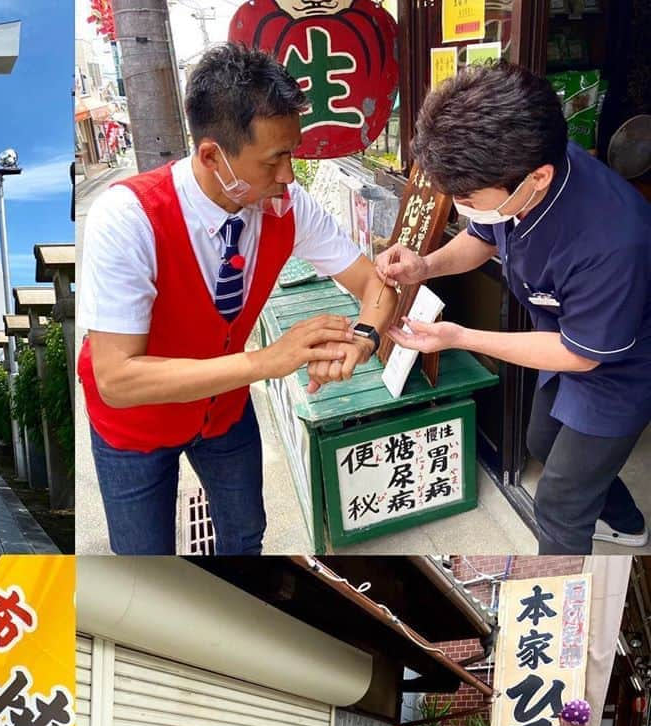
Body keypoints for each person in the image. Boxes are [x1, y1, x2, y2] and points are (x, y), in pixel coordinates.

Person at [77, 42, 397, 555]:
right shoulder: (128, 216)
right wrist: (267, 361)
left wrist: (362, 338)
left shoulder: (286, 207)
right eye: (275, 160)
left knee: (245, 535)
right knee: (144, 558)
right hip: (135, 424)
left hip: (222, 408)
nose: (288, 176)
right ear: (211, 155)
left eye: (292, 154)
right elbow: (117, 378)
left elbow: (376, 285)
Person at [376, 61, 651, 555]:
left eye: (466, 197)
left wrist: (458, 336)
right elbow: (482, 239)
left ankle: (562, 607)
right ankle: (628, 522)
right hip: (563, 335)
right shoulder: (513, 175)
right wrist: (424, 266)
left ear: (538, 178)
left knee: (560, 505)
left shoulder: (613, 239)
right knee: (543, 442)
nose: (462, 207)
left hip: (618, 363)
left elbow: (581, 356)